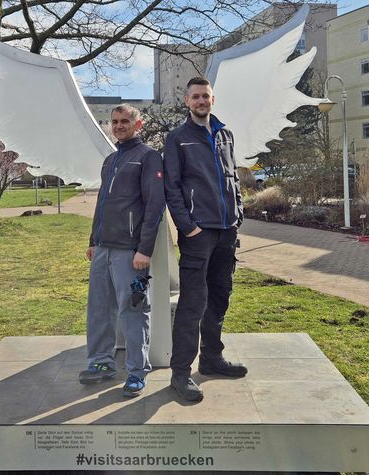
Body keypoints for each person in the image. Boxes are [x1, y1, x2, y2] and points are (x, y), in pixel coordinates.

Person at [163, 77, 247, 402]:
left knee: (220, 296)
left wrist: (238, 213)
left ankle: (212, 359)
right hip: (199, 234)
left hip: (227, 231)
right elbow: (172, 187)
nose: (201, 101)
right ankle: (180, 373)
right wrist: (188, 227)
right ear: (187, 101)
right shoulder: (177, 139)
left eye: (206, 96)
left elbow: (233, 177)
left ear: (213, 99)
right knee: (192, 302)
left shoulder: (225, 134)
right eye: (196, 96)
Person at [79, 104, 165, 398]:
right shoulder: (110, 160)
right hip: (103, 248)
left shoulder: (149, 158)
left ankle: (136, 372)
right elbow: (102, 203)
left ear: (137, 124)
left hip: (130, 252)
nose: (118, 125)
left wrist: (145, 249)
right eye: (115, 121)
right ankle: (101, 363)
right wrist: (93, 239)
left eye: (125, 121)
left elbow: (154, 207)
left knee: (134, 309)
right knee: (99, 308)